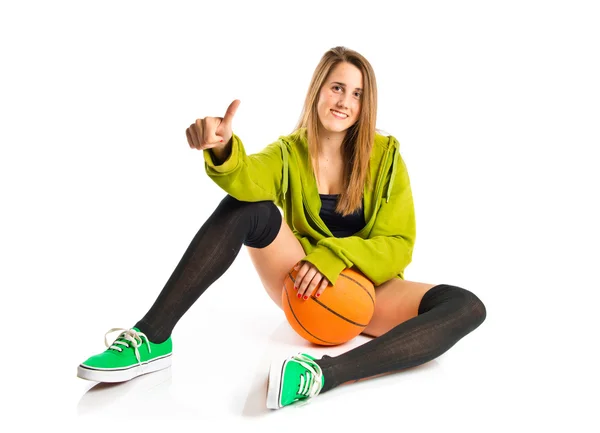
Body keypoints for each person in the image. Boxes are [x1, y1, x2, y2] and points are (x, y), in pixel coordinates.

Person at [77, 46, 487, 410]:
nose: (345, 101)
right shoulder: (289, 153)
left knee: (467, 306)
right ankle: (151, 337)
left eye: (357, 93)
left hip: (370, 289)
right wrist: (222, 147)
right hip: (306, 282)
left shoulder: (386, 157)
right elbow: (247, 179)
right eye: (336, 88)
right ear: (317, 91)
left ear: (367, 104)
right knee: (247, 206)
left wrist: (335, 257)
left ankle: (323, 374)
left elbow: (398, 244)